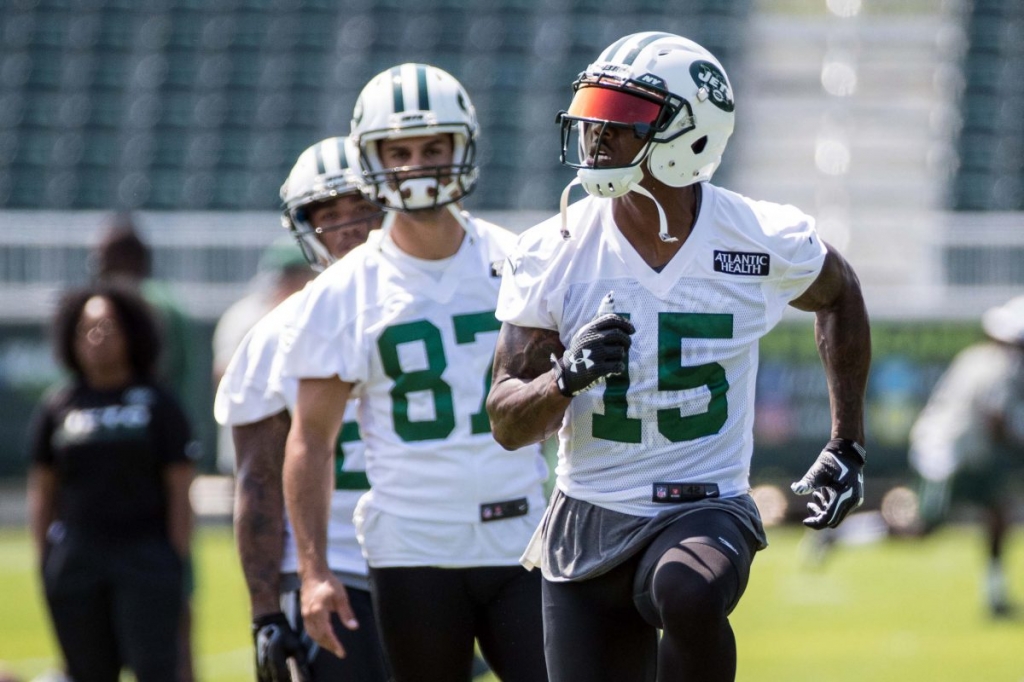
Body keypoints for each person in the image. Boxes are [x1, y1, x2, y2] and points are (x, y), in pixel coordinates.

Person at [485, 32, 871, 682]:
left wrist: (847, 443)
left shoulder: (758, 237)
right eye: (595, 110)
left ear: (692, 136)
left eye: (624, 118)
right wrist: (565, 378)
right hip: (589, 512)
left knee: (687, 591)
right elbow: (505, 421)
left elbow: (841, 293)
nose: (598, 133)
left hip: (704, 503)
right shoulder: (552, 249)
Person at [281, 63, 549, 682]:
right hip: (412, 548)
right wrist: (315, 572)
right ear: (371, 159)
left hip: (522, 535)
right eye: (397, 151)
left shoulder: (521, 260)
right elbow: (310, 439)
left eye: (434, 147)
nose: (417, 164)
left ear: (463, 146)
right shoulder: (343, 290)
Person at [214, 136, 389, 681]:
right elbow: (257, 482)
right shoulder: (272, 337)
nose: (350, 228)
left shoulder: (445, 306)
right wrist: (265, 611)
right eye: (330, 215)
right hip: (332, 571)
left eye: (363, 209)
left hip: (438, 557)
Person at [26, 284, 196, 682]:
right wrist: (46, 559)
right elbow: (43, 487)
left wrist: (174, 559)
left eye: (107, 326)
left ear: (132, 333)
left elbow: (179, 487)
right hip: (78, 559)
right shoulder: (59, 405)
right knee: (86, 671)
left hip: (145, 555)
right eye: (86, 328)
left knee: (155, 669)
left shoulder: (158, 401)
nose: (97, 337)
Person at [90, 216, 198, 682]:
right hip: (159, 463)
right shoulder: (169, 304)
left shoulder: (145, 305)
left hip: (140, 470)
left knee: (165, 599)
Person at [908, 294, 1024, 617]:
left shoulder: (978, 356)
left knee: (998, 514)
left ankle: (995, 593)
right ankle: (844, 536)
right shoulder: (1004, 366)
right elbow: (996, 421)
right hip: (951, 455)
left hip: (966, 452)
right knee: (923, 528)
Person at [213, 237, 316, 474]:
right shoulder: (244, 318)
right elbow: (226, 376)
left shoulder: (318, 312)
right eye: (290, 275)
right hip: (251, 437)